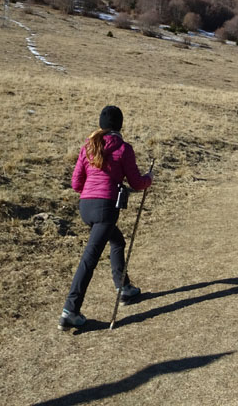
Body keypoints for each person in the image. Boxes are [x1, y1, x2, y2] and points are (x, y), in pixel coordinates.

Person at [59, 105, 153, 330]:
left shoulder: (89, 146)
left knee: (117, 241)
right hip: (105, 209)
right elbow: (136, 183)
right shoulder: (123, 148)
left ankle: (124, 288)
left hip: (86, 206)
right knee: (89, 260)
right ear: (120, 125)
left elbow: (75, 184)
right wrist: (149, 178)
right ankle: (70, 310)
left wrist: (92, 191)